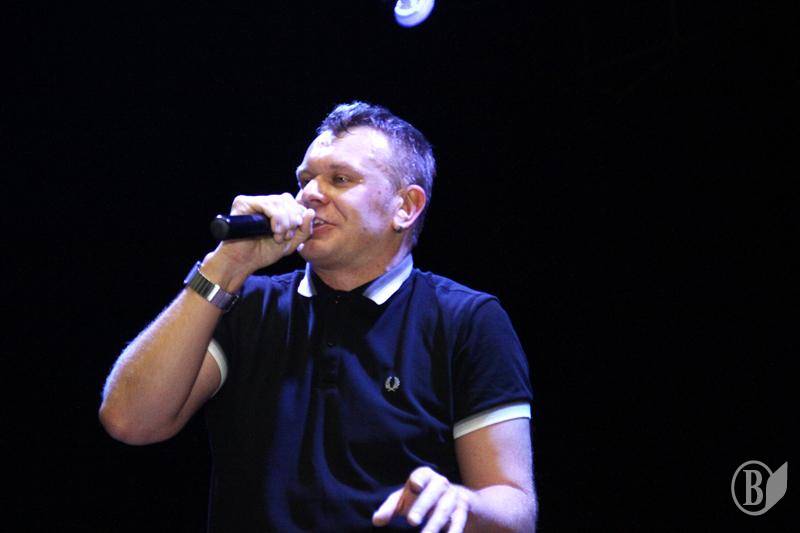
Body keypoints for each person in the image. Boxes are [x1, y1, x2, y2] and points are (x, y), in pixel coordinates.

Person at [99, 101, 537, 532]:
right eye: (305, 180)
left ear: (405, 207)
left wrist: (466, 503)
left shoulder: (466, 319)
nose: (309, 194)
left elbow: (515, 509)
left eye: (340, 179)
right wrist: (224, 266)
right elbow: (129, 421)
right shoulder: (246, 302)